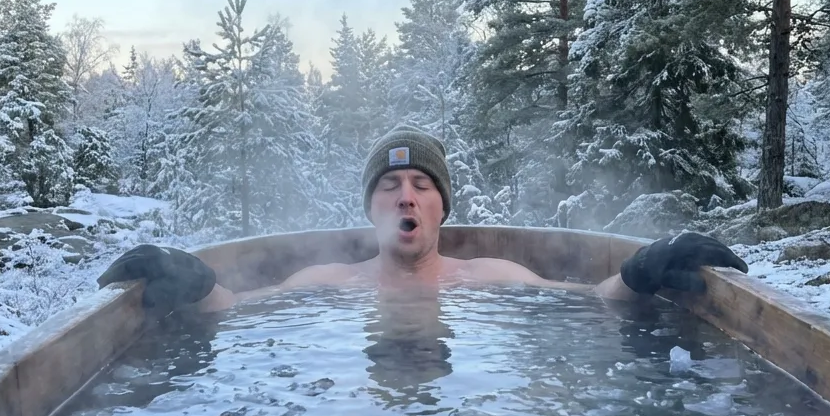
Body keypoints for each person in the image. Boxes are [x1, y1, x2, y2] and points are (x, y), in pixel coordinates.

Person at [97, 124, 748, 313]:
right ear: (370, 208)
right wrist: (193, 279)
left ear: (441, 206)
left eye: (420, 186)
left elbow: (586, 302)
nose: (405, 197)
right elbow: (236, 309)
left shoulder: (488, 275)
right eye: (389, 186)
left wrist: (636, 274)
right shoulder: (328, 282)